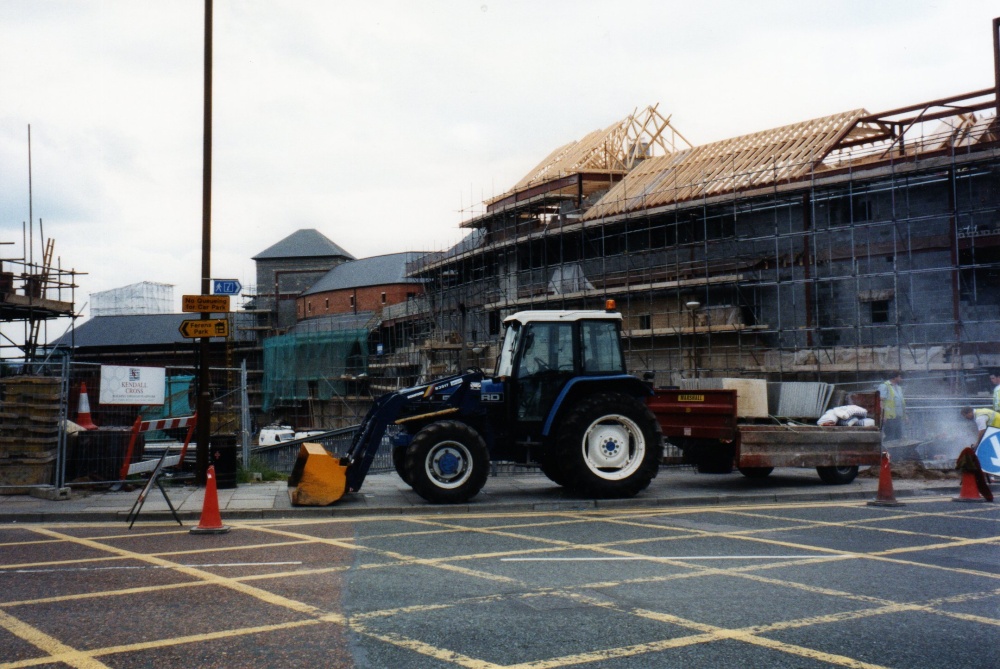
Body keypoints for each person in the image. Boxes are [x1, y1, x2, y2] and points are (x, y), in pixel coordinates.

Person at [878, 372, 905, 440]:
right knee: (890, 436)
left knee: (898, 436)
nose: (901, 379)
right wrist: (882, 415)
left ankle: (897, 447)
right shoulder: (885, 386)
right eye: (900, 377)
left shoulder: (898, 388)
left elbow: (901, 402)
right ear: (895, 377)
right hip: (889, 417)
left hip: (898, 416)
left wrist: (904, 415)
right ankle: (887, 446)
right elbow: (880, 401)